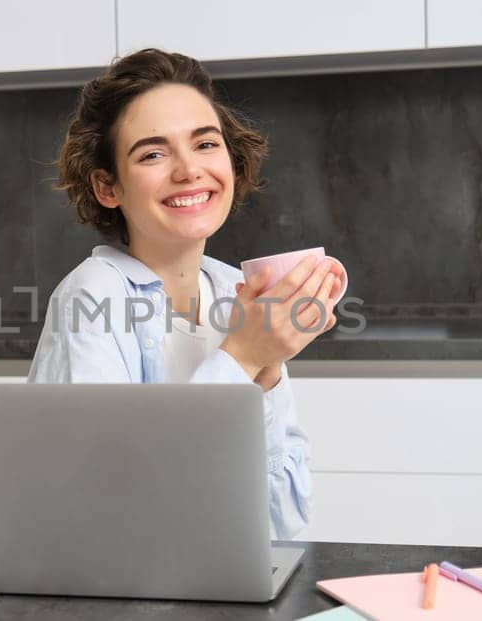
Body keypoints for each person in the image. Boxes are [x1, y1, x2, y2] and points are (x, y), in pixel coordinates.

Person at [28, 49, 346, 540]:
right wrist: (242, 355)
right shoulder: (92, 298)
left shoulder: (229, 290)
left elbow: (282, 522)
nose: (188, 170)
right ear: (107, 186)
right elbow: (109, 506)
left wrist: (269, 367)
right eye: (153, 153)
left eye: (205, 144)